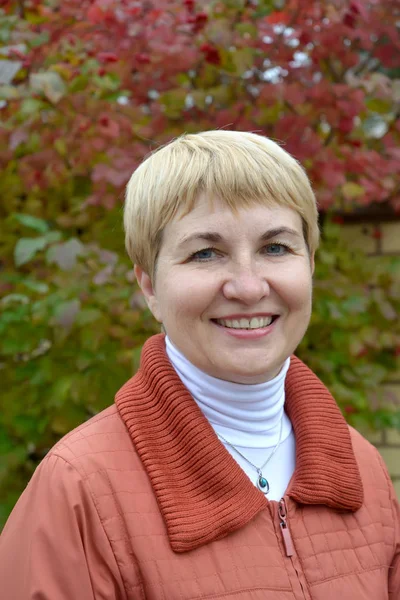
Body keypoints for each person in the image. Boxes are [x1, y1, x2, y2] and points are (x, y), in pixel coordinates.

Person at [0, 130, 399, 599]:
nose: (248, 288)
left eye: (275, 248)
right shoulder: (80, 489)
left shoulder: (363, 469)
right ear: (149, 286)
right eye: (205, 253)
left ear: (309, 264)